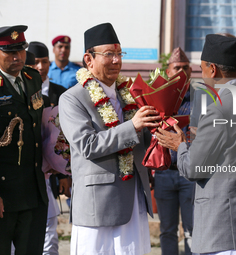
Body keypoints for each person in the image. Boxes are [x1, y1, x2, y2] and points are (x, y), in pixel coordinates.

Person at [156, 34, 236, 254]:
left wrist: (180, 146)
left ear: (213, 69)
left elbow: (194, 168)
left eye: (202, 68)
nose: (201, 73)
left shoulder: (218, 109)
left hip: (230, 229)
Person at [59, 22, 161, 255]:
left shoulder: (130, 95)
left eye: (119, 54)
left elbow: (142, 140)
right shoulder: (72, 99)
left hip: (133, 198)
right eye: (109, 55)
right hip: (98, 204)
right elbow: (87, 145)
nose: (116, 61)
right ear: (88, 59)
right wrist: (132, 126)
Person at [0, 25, 48, 254]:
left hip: (32, 191)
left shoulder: (32, 79)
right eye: (9, 51)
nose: (17, 56)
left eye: (20, 50)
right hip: (4, 194)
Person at [27, 41, 71, 255]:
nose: (40, 67)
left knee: (48, 235)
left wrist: (64, 173)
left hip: (48, 175)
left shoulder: (59, 94)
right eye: (35, 62)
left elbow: (63, 136)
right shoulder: (17, 96)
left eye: (44, 62)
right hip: (23, 174)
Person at [154, 47, 195, 255]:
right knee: (167, 230)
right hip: (164, 172)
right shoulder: (158, 99)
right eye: (177, 67)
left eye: (185, 68)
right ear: (168, 72)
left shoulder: (201, 99)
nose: (181, 71)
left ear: (191, 71)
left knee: (192, 230)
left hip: (190, 173)